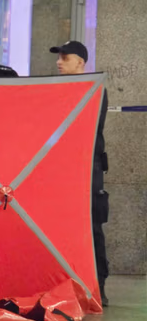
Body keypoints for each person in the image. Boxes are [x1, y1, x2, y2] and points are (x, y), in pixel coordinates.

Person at [50, 40, 109, 306]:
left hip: (88, 170)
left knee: (92, 226)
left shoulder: (94, 90)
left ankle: (99, 285)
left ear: (80, 62)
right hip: (61, 170)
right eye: (58, 58)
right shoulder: (57, 90)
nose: (59, 62)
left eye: (65, 58)